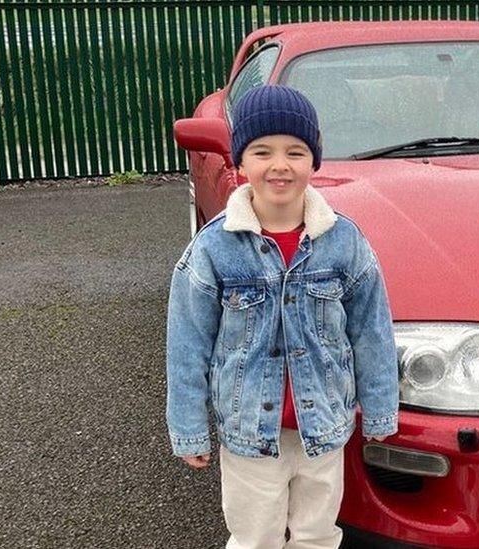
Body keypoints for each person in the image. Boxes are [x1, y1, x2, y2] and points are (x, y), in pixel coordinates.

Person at [165, 84, 399, 549]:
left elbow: (372, 331)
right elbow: (187, 343)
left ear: (314, 161)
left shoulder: (344, 242)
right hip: (249, 431)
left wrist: (379, 411)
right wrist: (190, 428)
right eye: (262, 151)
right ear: (239, 161)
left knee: (317, 534)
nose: (279, 165)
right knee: (256, 537)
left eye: (295, 151)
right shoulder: (214, 249)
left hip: (324, 428)